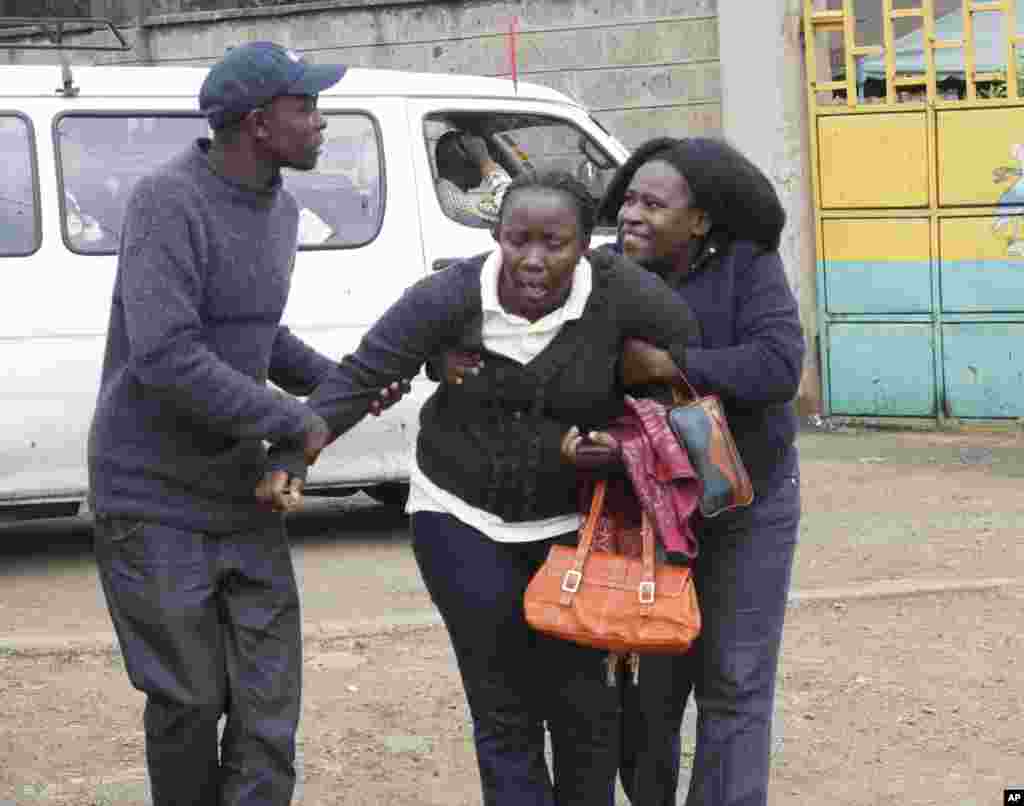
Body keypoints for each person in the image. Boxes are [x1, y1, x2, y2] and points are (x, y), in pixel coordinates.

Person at [257, 171, 702, 806]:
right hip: (459, 516)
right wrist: (295, 454)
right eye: (519, 239)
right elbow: (363, 374)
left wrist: (623, 425)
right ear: (496, 235)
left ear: (584, 245)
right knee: (504, 706)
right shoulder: (449, 295)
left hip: (571, 527)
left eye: (556, 243)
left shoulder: (621, 292)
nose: (534, 259)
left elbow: (688, 356)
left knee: (584, 711)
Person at [87, 41, 405, 806]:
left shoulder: (282, 208)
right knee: (191, 701)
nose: (322, 122)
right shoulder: (168, 201)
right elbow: (166, 353)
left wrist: (338, 384)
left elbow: (256, 335)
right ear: (260, 124)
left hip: (240, 496)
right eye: (308, 108)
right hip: (151, 498)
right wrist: (294, 420)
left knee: (268, 715)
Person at [598, 136, 806, 806]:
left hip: (748, 504)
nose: (633, 213)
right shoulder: (602, 273)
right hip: (648, 512)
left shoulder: (749, 266)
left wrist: (673, 365)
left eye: (654, 204)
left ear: (700, 221)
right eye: (629, 197)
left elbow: (777, 367)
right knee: (647, 689)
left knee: (736, 683)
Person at [434, 129, 512, 227]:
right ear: (461, 159)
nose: (482, 158)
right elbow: (515, 208)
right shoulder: (455, 203)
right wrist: (485, 163)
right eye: (477, 155)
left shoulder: (444, 193)